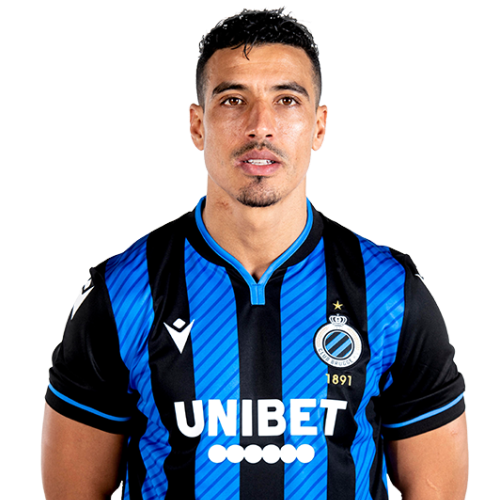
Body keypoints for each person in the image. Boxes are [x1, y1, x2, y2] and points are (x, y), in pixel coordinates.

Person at [40, 6, 468, 500]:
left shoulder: (390, 293)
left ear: (319, 125)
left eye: (286, 100)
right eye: (233, 100)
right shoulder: (122, 293)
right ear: (197, 125)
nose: (260, 126)